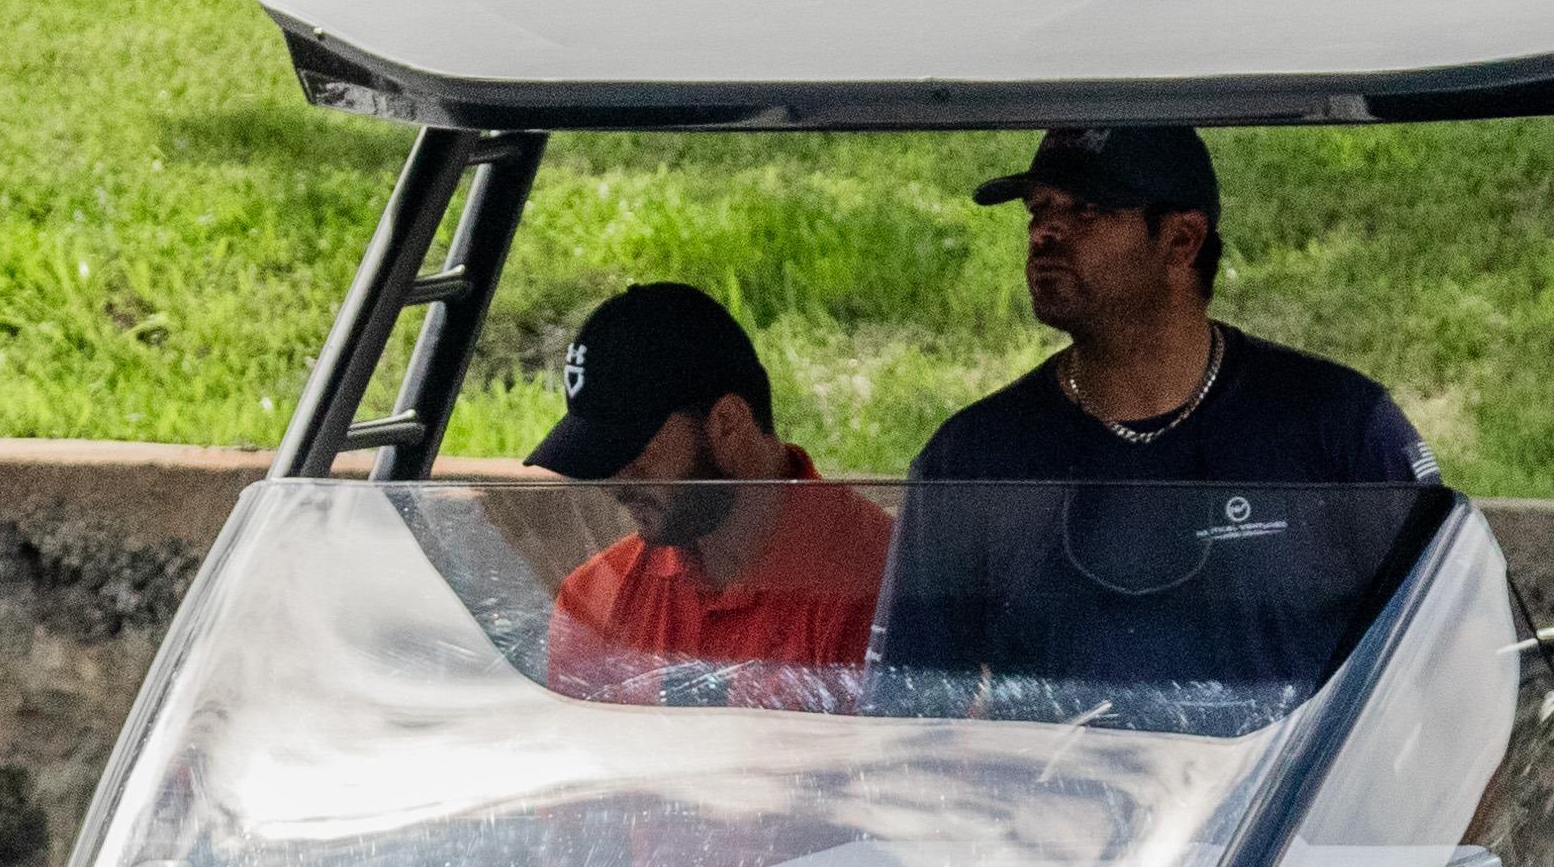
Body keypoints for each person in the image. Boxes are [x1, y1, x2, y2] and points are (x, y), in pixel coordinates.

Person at [874, 126, 1442, 697]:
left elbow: (1447, 663)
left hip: (1286, 788)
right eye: (1038, 208)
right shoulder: (972, 458)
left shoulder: (1340, 424)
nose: (1044, 231)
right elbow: (909, 708)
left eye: (1087, 211)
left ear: (1181, 240)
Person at [522, 282, 891, 708]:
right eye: (600, 458)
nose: (613, 482)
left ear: (728, 425)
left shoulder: (875, 588)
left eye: (632, 450)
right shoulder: (592, 603)